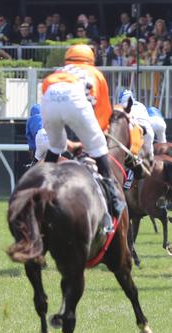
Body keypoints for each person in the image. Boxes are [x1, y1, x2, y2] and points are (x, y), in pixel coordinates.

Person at [40, 44, 124, 232]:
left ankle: (43, 181)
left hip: (49, 95)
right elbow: (103, 112)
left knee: (56, 146)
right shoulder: (95, 73)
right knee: (99, 147)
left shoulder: (59, 70)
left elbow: (48, 95)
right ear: (90, 59)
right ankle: (113, 196)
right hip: (75, 95)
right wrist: (96, 137)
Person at [118, 90, 154, 162]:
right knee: (150, 160)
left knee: (133, 161)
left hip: (136, 132)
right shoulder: (141, 105)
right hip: (149, 132)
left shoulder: (122, 107)